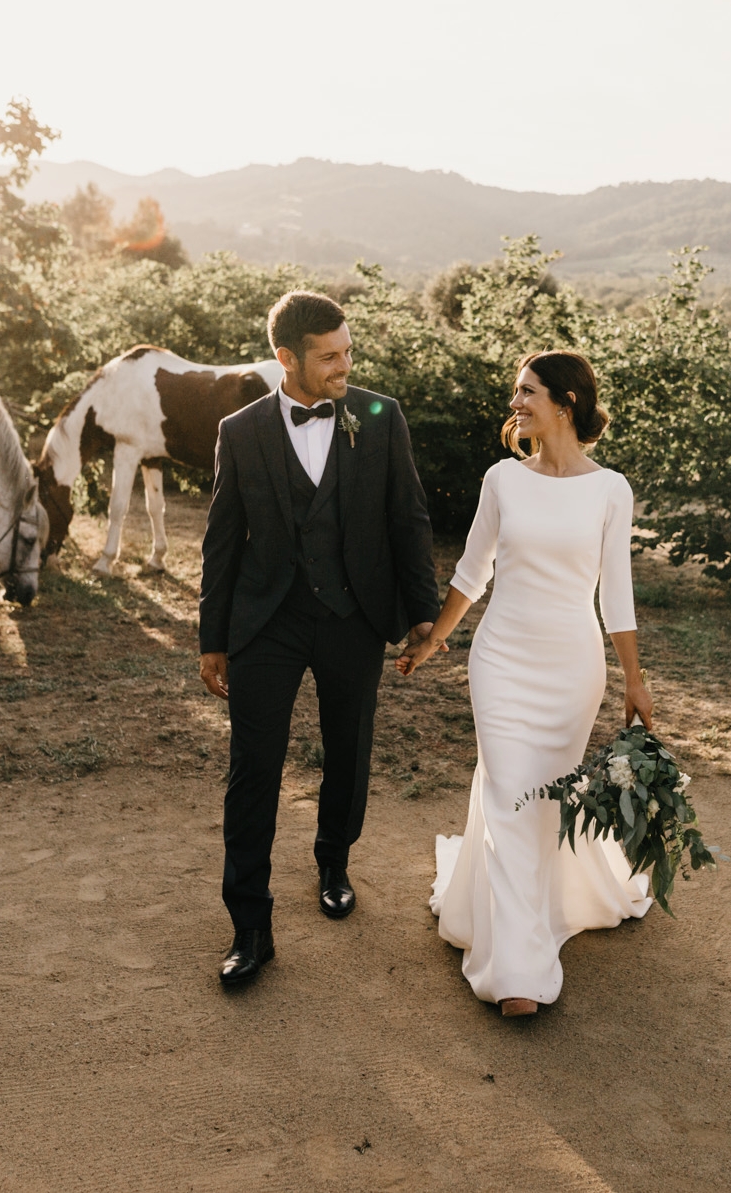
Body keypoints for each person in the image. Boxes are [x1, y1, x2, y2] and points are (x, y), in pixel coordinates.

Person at [396, 350, 653, 1017]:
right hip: (502, 660)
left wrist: (635, 679)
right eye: (515, 393)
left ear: (566, 402)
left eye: (526, 392)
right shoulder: (502, 480)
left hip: (571, 668)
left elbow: (616, 597)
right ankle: (517, 969)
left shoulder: (610, 490)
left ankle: (533, 915)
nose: (515, 404)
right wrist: (432, 639)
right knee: (511, 791)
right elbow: (471, 572)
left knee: (543, 803)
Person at [199, 291, 438, 988]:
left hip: (352, 615)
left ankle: (333, 860)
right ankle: (249, 926)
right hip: (265, 622)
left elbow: (408, 518)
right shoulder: (240, 431)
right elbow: (220, 542)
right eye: (329, 356)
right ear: (287, 358)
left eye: (348, 351)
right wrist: (213, 637)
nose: (344, 365)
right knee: (252, 770)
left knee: (349, 749)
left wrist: (423, 610)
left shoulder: (378, 414)